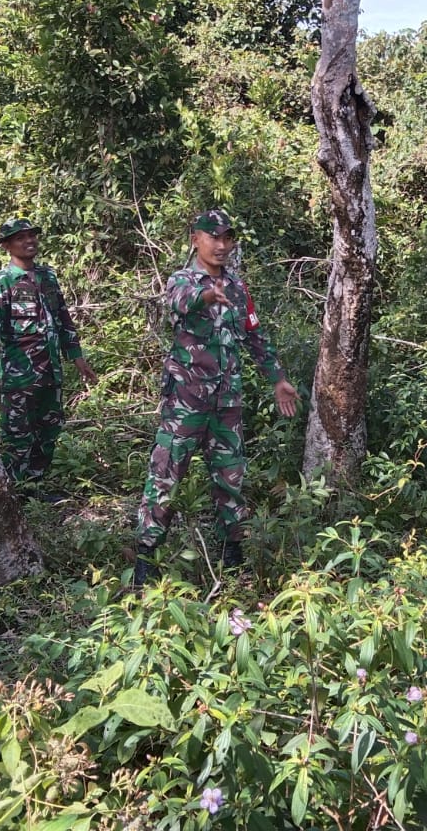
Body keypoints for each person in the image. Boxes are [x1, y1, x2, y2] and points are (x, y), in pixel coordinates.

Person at [134, 209, 299, 585]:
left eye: (228, 238)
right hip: (185, 402)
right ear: (196, 238)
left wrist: (277, 379)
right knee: (166, 475)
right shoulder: (182, 280)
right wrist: (208, 294)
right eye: (214, 237)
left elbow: (254, 335)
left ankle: (232, 554)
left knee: (230, 477)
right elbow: (180, 302)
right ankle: (146, 556)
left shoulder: (238, 287)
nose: (222, 245)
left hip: (227, 402)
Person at [0, 218, 98, 490]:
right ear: (6, 245)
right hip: (20, 377)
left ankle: (35, 488)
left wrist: (77, 357)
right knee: (18, 437)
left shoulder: (47, 278)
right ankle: (15, 493)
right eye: (20, 238)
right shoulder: (2, 283)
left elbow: (63, 319)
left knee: (48, 433)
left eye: (32, 236)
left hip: (51, 372)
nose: (29, 241)